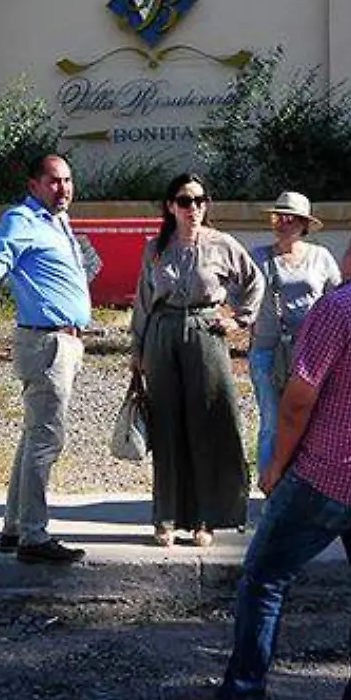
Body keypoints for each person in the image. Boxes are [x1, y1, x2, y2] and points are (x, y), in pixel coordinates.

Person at [175, 214, 351, 700]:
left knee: (265, 577)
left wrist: (274, 466)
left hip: (330, 469)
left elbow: (297, 399)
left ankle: (241, 697)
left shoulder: (338, 307)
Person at [0, 155, 93, 565]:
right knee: (46, 438)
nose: (64, 188)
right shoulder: (22, 218)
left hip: (61, 341)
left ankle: (15, 527)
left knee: (33, 436)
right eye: (54, 182)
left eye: (68, 180)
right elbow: (0, 256)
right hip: (46, 344)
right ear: (34, 184)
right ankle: (34, 536)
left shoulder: (58, 222)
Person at [129, 174, 261, 547]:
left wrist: (238, 318)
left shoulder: (222, 244)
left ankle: (206, 517)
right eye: (185, 201)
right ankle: (165, 516)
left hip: (206, 332)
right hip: (162, 332)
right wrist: (137, 349)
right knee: (166, 425)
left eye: (200, 200)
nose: (194, 208)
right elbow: (142, 300)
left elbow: (254, 281)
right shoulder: (156, 247)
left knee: (209, 421)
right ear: (171, 206)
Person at [247, 192, 341, 477]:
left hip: (310, 353)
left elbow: (336, 298)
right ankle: (270, 490)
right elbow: (241, 296)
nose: (282, 222)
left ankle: (305, 486)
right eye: (278, 217)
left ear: (303, 223)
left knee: (311, 421)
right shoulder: (258, 257)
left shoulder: (321, 257)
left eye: (289, 217)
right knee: (272, 424)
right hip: (267, 350)